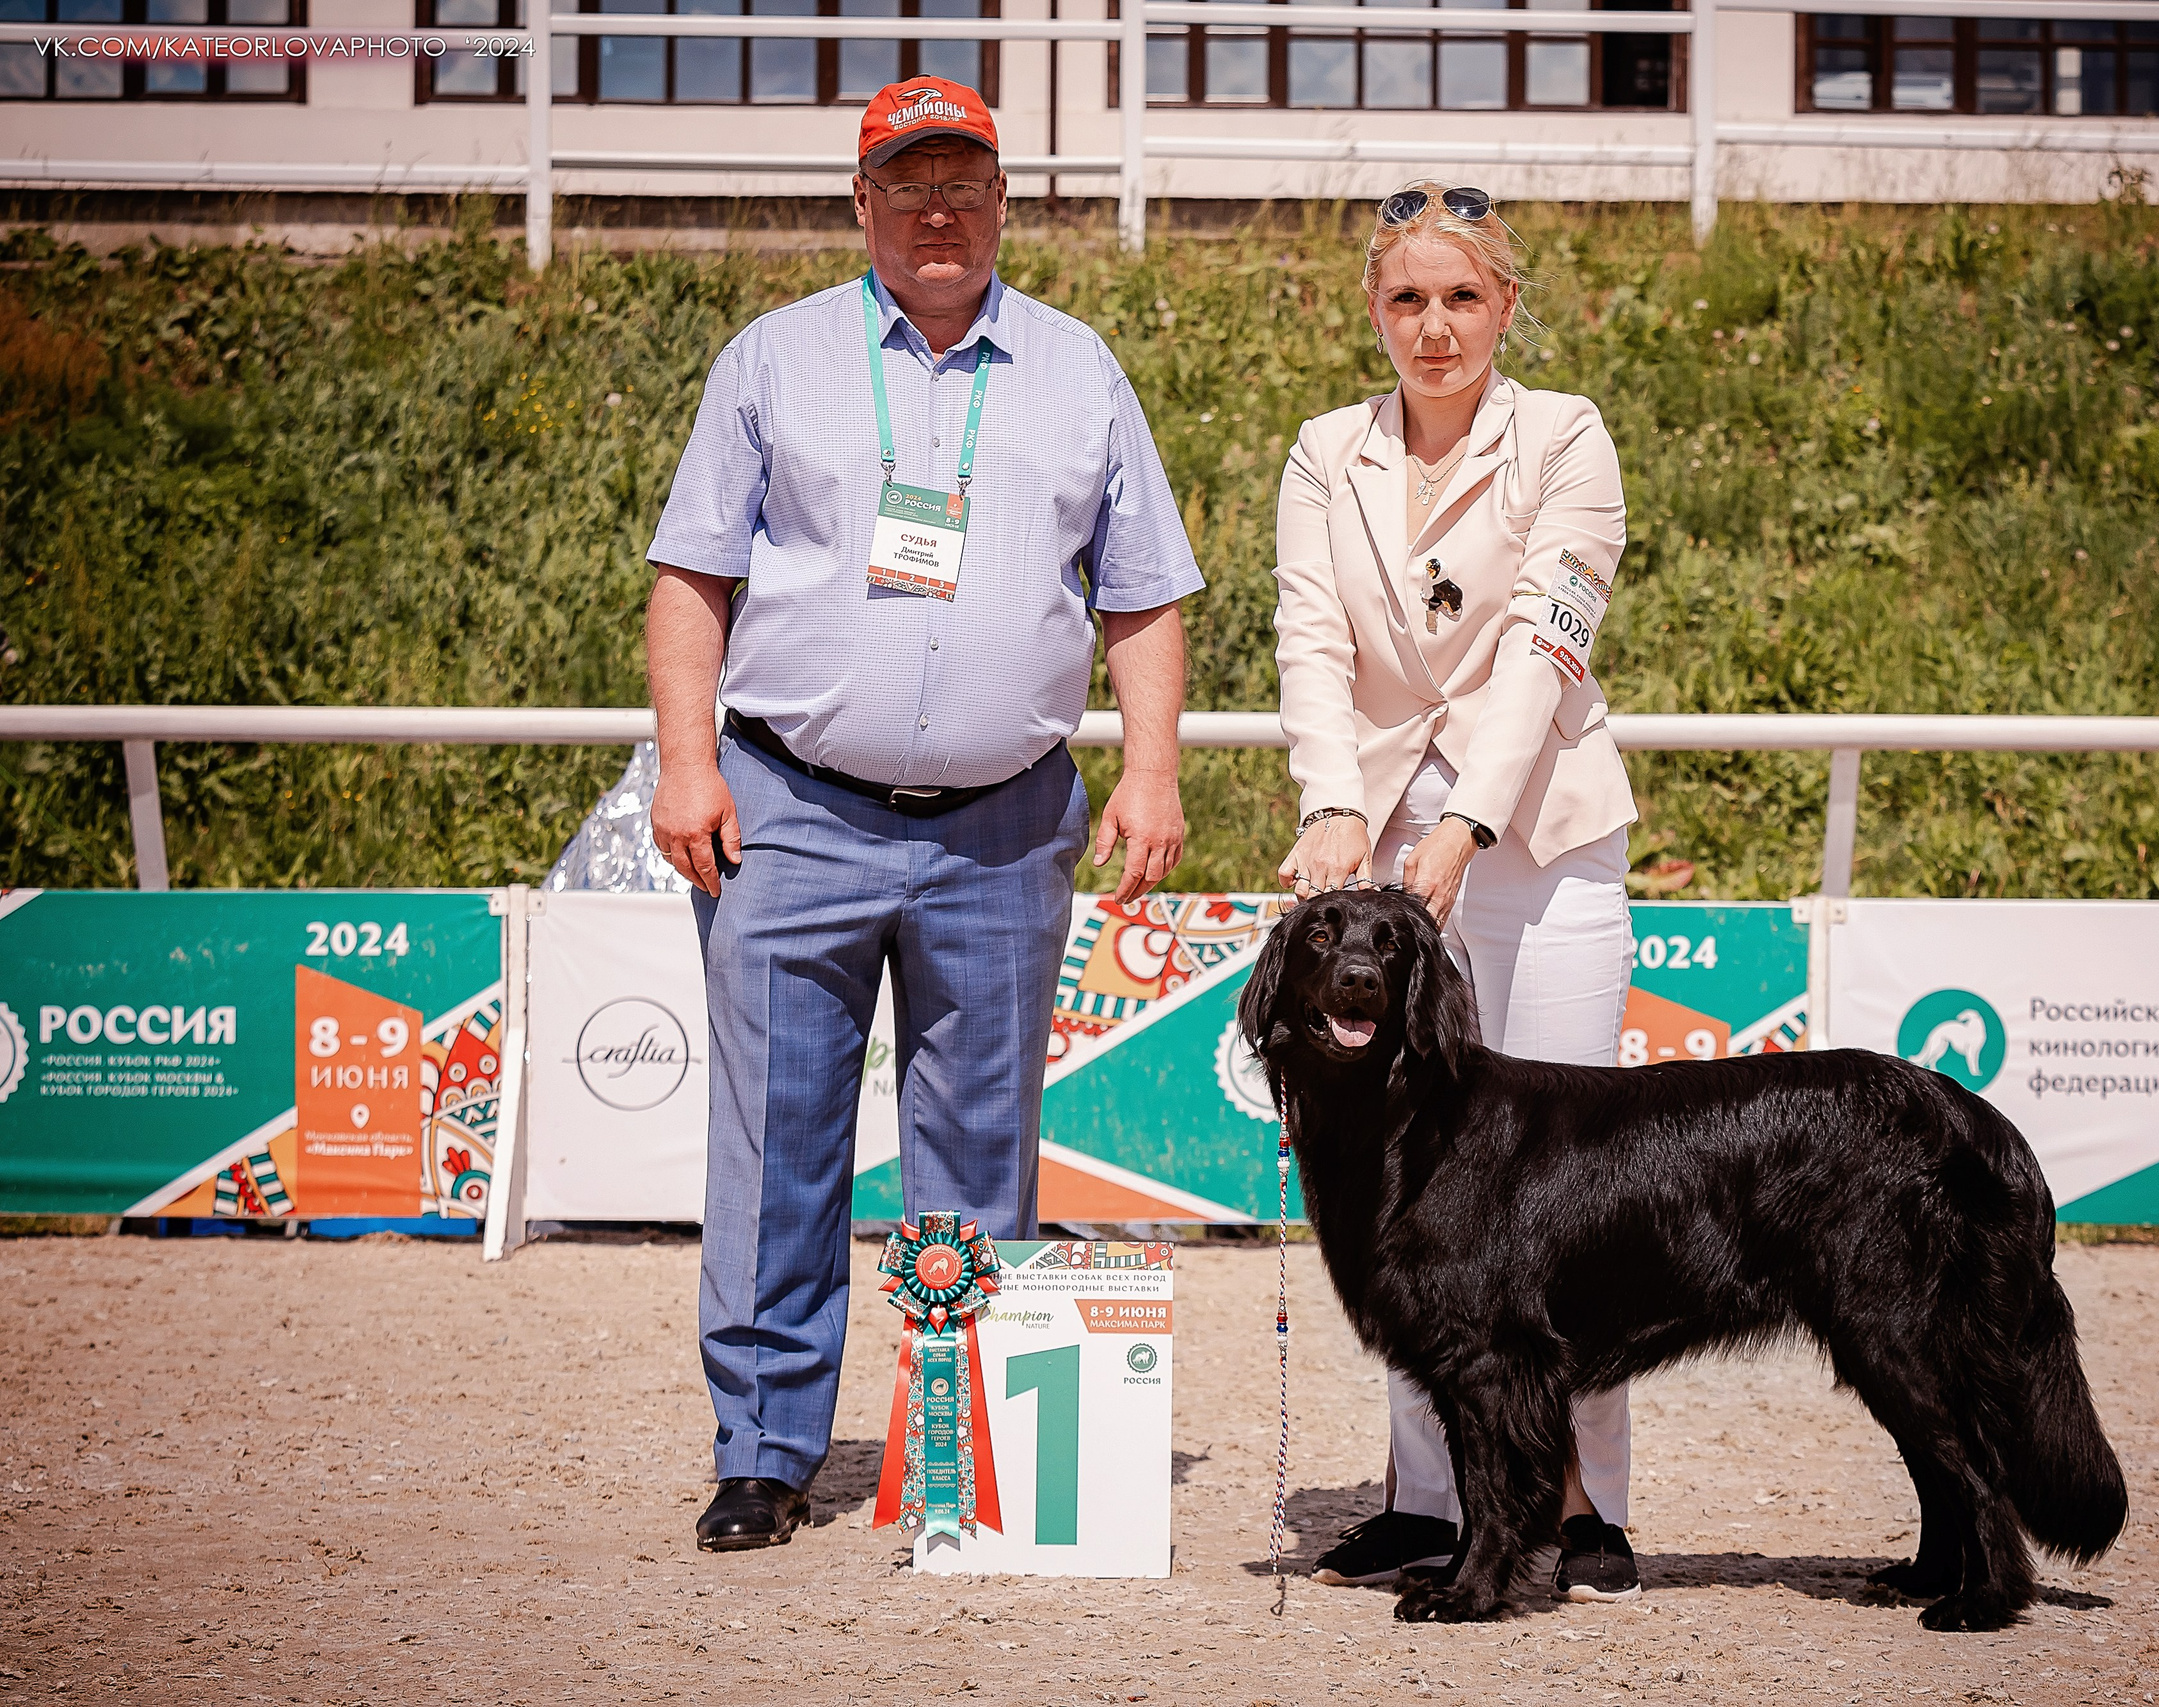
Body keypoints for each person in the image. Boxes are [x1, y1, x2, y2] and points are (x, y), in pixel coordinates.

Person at [644, 76, 1202, 1553]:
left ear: (1007, 202)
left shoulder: (1082, 373)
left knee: (978, 1148)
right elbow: (693, 574)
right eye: (908, 182)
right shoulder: (775, 360)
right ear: (863, 201)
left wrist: (1149, 769)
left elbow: (1141, 590)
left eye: (964, 179)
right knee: (778, 1147)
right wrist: (685, 764)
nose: (937, 207)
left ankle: (962, 1449)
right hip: (792, 809)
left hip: (1007, 826)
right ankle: (764, 1447)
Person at [1271, 181, 1645, 1604]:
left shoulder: (1568, 437)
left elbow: (1546, 648)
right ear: (1374, 308)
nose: (1434, 327)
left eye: (1463, 298)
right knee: (1389, 1182)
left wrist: (1467, 824)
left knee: (1562, 1189)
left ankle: (1584, 1503)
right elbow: (1311, 638)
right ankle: (1429, 1504)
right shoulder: (1324, 450)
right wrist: (1335, 806)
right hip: (1370, 841)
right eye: (1406, 299)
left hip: (1537, 829)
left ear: (1505, 305)